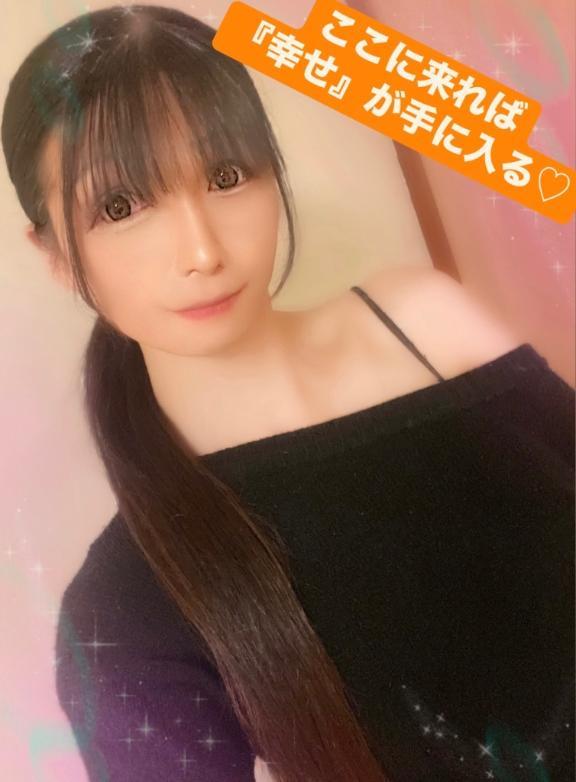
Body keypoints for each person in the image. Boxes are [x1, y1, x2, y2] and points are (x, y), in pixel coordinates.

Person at [2, 5, 574, 782]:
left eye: (226, 176)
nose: (202, 251)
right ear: (56, 256)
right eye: (121, 207)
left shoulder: (424, 319)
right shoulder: (123, 614)